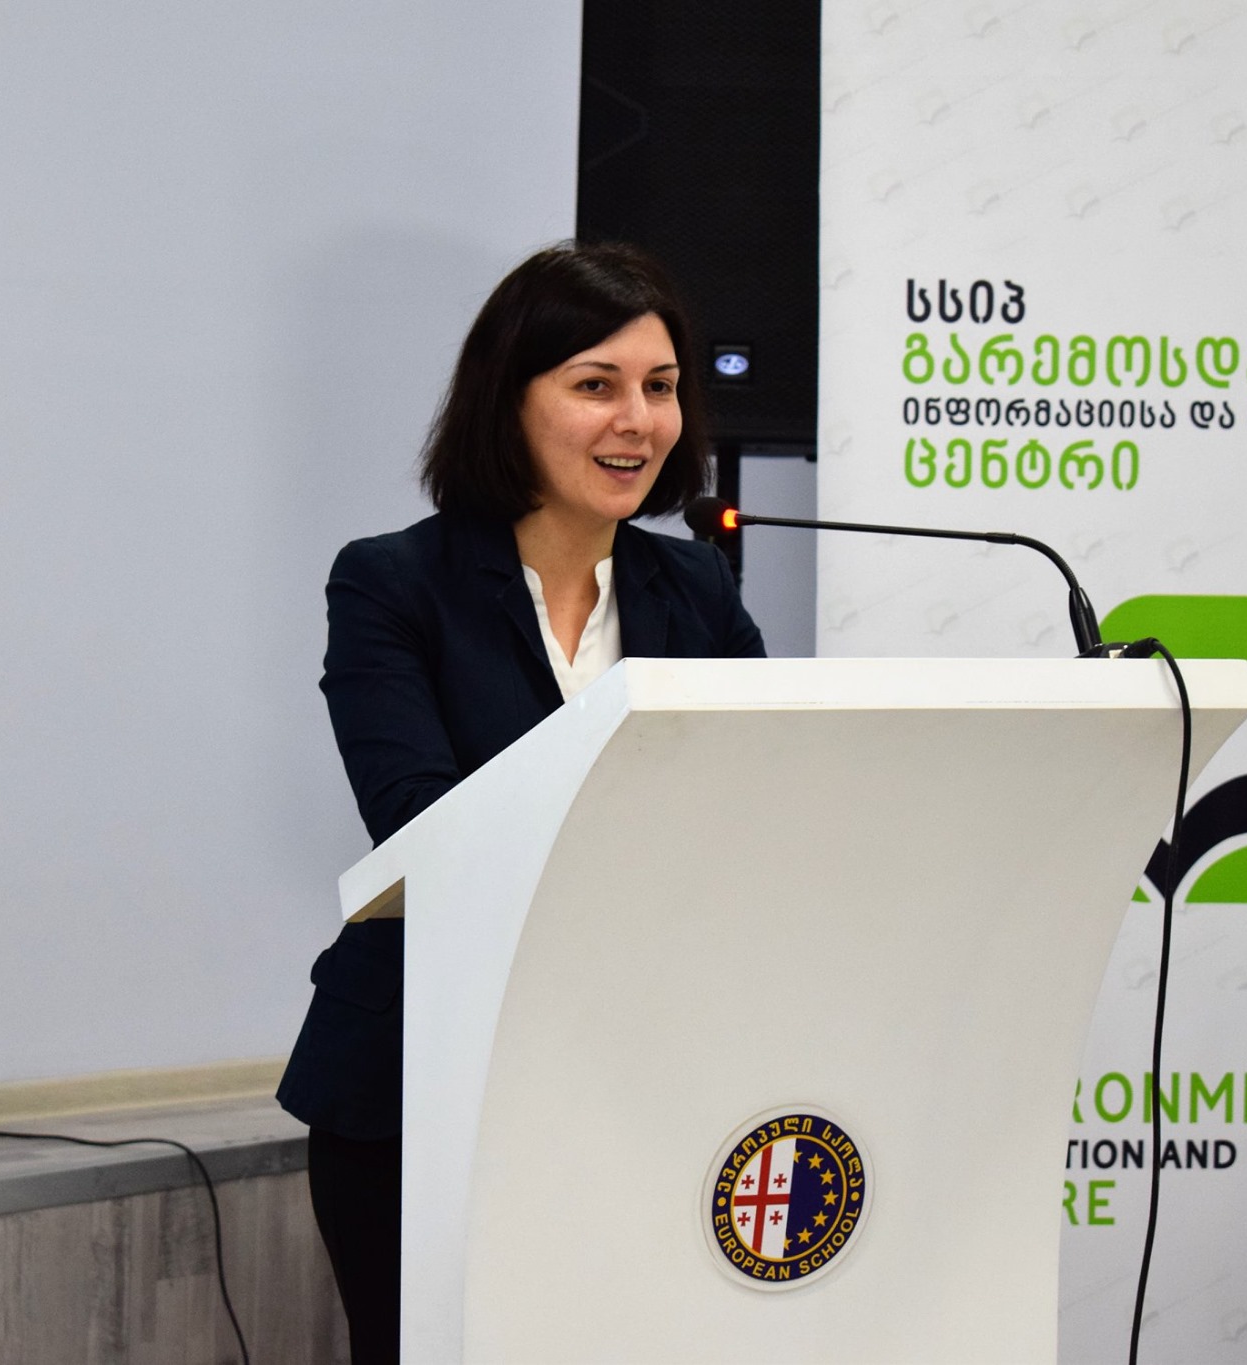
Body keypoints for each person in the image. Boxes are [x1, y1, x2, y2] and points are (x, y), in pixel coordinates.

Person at [275, 242, 765, 1362]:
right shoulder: (393, 583)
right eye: (595, 384)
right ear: (509, 401)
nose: (636, 420)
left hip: (638, 1079)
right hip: (419, 1084)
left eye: (660, 386)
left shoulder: (693, 585)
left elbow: (758, 804)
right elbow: (420, 820)